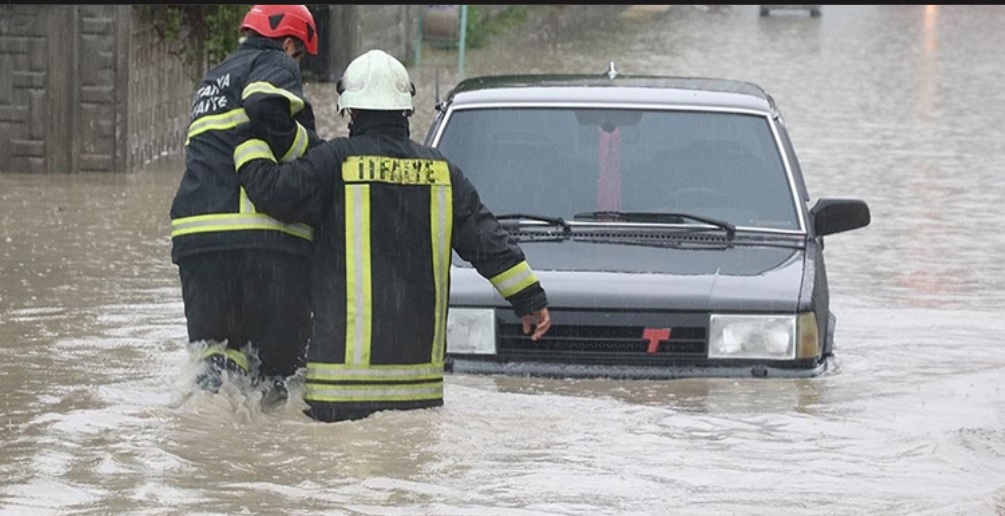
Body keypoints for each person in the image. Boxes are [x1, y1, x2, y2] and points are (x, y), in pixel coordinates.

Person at [231, 49, 553, 422]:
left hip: (340, 390)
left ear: (349, 110)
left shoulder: (334, 162)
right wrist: (529, 296)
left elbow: (273, 194)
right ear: (406, 109)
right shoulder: (443, 173)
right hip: (418, 392)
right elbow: (487, 240)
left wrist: (247, 142)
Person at [169, 5, 323, 404]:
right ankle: (267, 459)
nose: (298, 65)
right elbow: (264, 106)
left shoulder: (213, 78)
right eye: (300, 55)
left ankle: (210, 448)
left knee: (215, 369)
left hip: (197, 246)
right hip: (259, 241)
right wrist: (309, 148)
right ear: (289, 43)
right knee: (279, 375)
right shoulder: (274, 62)